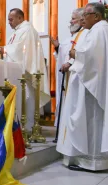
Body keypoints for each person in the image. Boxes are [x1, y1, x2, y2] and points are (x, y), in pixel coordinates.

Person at [56, 2, 108, 171]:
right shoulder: (97, 29)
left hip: (91, 87)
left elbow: (92, 56)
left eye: (86, 15)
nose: (83, 19)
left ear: (97, 16)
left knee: (91, 121)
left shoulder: (100, 29)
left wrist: (74, 53)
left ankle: (92, 161)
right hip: (88, 83)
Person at [0, 8, 50, 131]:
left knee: (27, 99)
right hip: (16, 72)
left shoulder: (27, 30)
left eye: (11, 19)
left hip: (26, 74)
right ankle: (19, 128)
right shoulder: (17, 32)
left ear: (20, 18)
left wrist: (5, 49)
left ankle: (28, 128)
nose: (9, 22)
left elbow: (22, 51)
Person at [51, 8, 88, 126]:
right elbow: (65, 54)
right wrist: (58, 47)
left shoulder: (84, 34)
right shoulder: (73, 37)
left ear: (81, 19)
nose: (70, 22)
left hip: (76, 76)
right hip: (66, 77)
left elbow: (81, 54)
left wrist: (70, 62)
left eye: (73, 19)